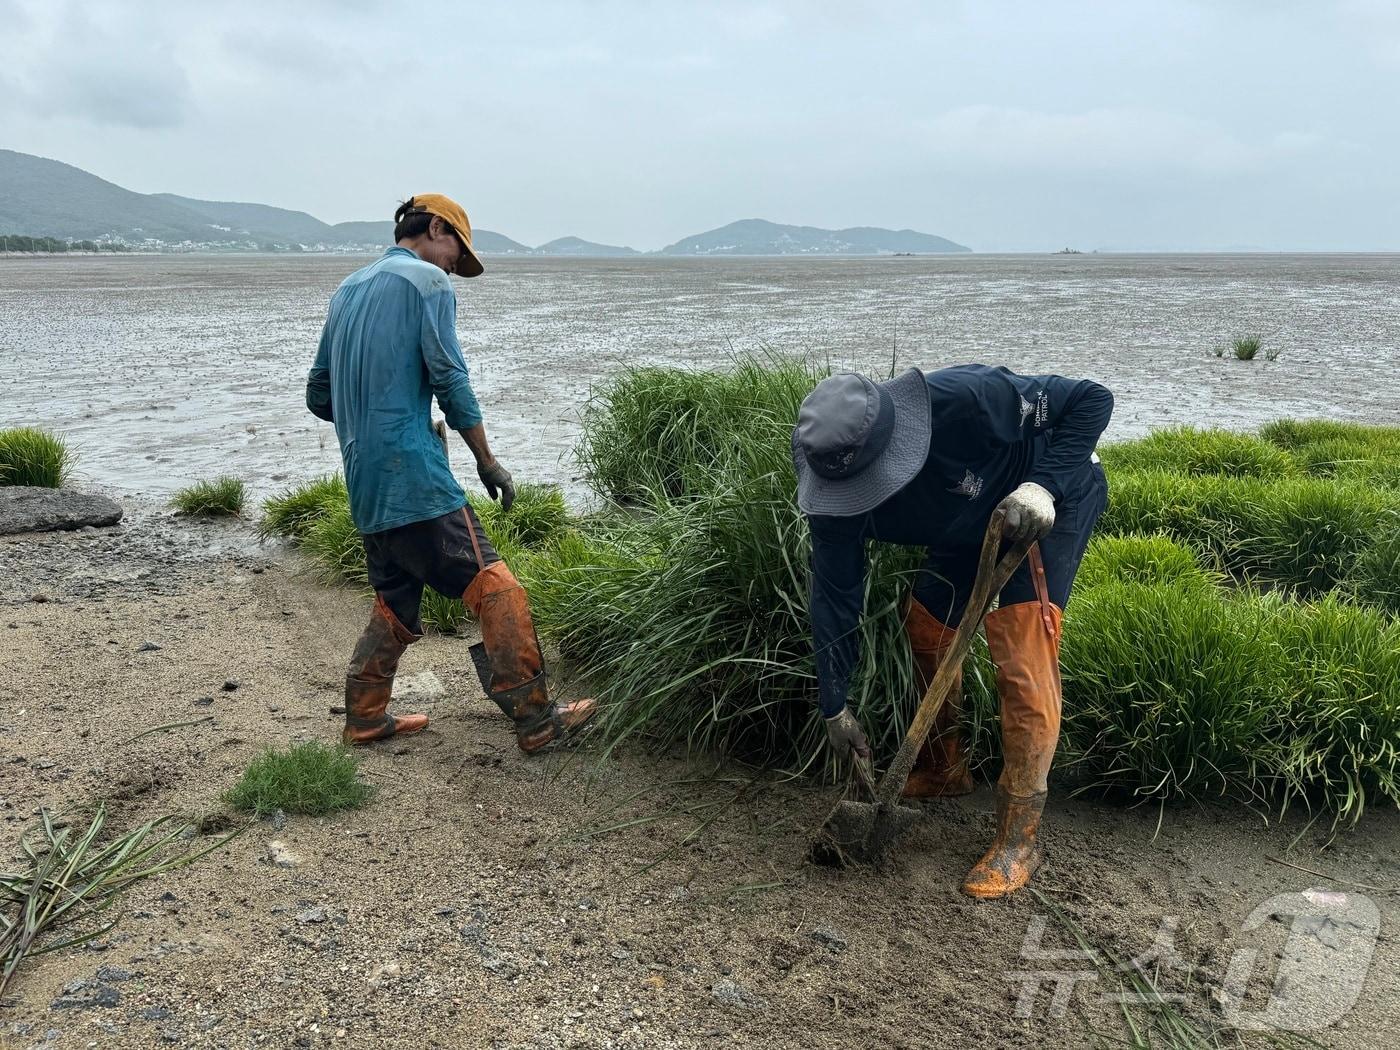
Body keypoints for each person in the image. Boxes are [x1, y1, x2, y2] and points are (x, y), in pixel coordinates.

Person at [792, 364, 1112, 898]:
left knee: (1021, 651)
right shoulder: (831, 474)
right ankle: (945, 769)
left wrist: (1042, 486)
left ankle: (1020, 836)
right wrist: (834, 703)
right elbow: (835, 592)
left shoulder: (968, 399)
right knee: (925, 625)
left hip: (1042, 500)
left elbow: (1091, 399)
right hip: (963, 521)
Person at [305, 193, 596, 752]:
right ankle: (538, 720)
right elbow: (450, 378)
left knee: (395, 599)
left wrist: (374, 414)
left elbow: (320, 393)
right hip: (417, 478)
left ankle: (365, 716)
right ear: (436, 228)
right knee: (497, 588)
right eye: (453, 256)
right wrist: (486, 460)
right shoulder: (427, 285)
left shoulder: (346, 291)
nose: (451, 270)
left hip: (365, 482)